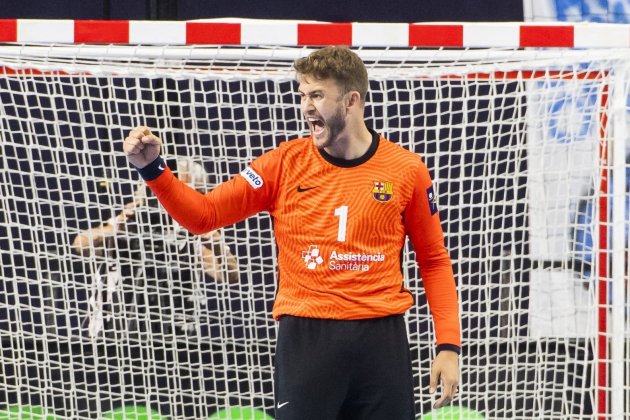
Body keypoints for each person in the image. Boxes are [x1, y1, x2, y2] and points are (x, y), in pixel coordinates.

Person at [123, 46, 460, 419]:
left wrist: (448, 345)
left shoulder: (406, 169)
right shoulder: (282, 164)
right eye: (302, 95)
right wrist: (153, 169)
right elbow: (204, 215)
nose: (306, 107)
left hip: (381, 342)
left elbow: (433, 260)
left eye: (316, 95)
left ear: (351, 100)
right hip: (306, 341)